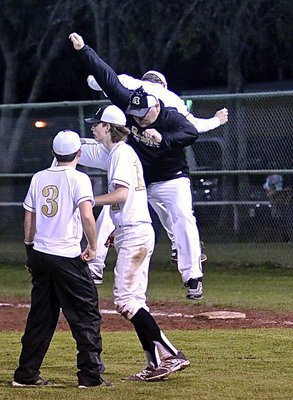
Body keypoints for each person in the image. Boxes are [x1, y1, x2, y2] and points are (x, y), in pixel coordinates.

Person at [69, 32, 204, 301]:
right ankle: (94, 267)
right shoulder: (130, 102)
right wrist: (84, 50)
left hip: (170, 178)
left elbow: (192, 134)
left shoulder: (171, 116)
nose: (139, 121)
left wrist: (164, 138)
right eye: (136, 116)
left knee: (183, 217)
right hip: (141, 179)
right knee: (110, 212)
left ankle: (193, 277)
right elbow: (106, 76)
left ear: (157, 105)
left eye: (145, 116)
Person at [82, 103, 190, 381]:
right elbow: (132, 199)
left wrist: (88, 201)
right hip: (133, 229)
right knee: (133, 300)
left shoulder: (119, 153)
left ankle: (170, 354)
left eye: (97, 124)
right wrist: (117, 229)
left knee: (125, 300)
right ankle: (155, 363)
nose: (93, 128)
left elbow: (121, 195)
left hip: (136, 232)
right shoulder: (122, 153)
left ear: (108, 128)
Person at [87, 70, 227, 283]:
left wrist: (92, 78)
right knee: (178, 215)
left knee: (112, 209)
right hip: (138, 164)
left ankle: (94, 265)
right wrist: (216, 120)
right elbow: (196, 127)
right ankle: (182, 254)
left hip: (134, 163)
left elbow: (104, 80)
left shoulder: (133, 87)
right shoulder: (173, 100)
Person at [12, 130, 110, 388]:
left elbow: (29, 217)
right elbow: (88, 217)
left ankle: (26, 374)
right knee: (86, 315)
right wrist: (93, 246)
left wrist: (29, 249)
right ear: (79, 153)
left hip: (41, 254)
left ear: (53, 153)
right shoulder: (79, 178)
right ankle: (90, 377)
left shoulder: (38, 177)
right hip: (67, 256)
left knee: (40, 318)